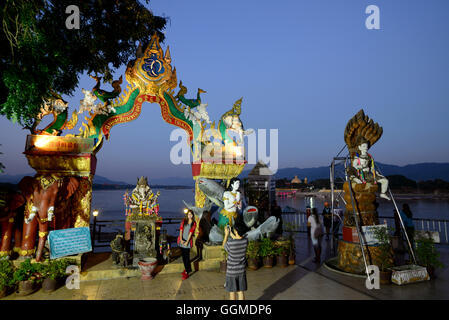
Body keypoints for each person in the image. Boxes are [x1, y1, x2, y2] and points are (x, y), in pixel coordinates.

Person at [222, 219, 248, 300]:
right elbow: (238, 238)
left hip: (231, 272)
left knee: (232, 292)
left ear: (236, 231)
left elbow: (224, 245)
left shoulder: (231, 243)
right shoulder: (246, 241)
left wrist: (226, 235)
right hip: (241, 271)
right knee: (240, 291)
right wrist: (231, 234)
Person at [178, 209, 197, 280]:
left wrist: (187, 242)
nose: (190, 215)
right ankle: (187, 269)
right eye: (189, 214)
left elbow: (191, 233)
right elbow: (181, 230)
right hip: (182, 240)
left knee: (187, 257)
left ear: (192, 215)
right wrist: (181, 239)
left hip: (187, 242)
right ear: (187, 215)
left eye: (191, 214)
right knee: (183, 256)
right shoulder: (184, 221)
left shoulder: (193, 223)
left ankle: (187, 272)